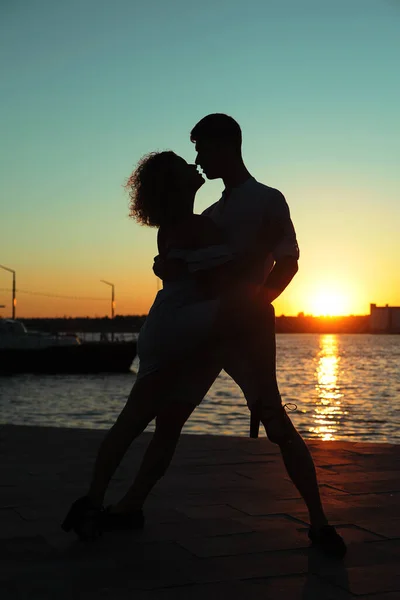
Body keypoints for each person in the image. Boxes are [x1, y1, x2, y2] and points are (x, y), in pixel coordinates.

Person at [61, 150, 278, 541]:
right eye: (183, 165)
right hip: (181, 330)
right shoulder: (194, 227)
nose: (194, 165)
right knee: (136, 420)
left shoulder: (190, 225)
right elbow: (224, 282)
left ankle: (130, 505)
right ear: (174, 184)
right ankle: (92, 502)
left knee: (166, 426)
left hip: (190, 330)